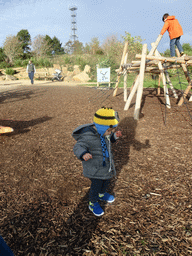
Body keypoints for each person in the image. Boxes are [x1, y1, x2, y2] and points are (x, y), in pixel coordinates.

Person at [72, 107, 122, 217]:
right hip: (94, 168)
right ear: (100, 127)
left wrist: (114, 136)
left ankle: (102, 194)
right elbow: (78, 147)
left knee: (106, 181)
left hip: (105, 166)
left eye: (111, 131)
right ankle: (93, 202)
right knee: (96, 185)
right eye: (109, 131)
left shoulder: (103, 133)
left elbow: (109, 139)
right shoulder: (88, 136)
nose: (109, 133)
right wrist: (83, 153)